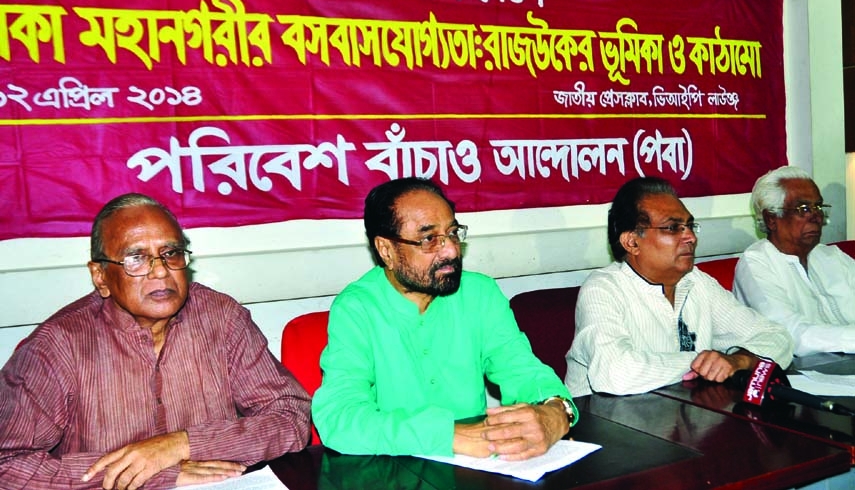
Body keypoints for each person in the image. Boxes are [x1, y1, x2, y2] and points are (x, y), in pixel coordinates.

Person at [0, 193, 312, 490]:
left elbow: (290, 417)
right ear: (100, 276)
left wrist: (183, 444)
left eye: (171, 253)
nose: (161, 271)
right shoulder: (58, 345)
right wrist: (152, 473)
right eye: (136, 259)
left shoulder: (221, 317)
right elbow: (7, 467)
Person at [312, 177, 577, 461]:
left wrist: (555, 410)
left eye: (452, 233)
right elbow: (340, 417)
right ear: (386, 250)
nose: (450, 250)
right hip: (395, 471)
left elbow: (522, 370)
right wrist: (446, 436)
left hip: (479, 468)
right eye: (429, 239)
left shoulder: (479, 293)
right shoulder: (358, 307)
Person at [565, 177, 793, 396]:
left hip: (680, 416)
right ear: (632, 242)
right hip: (606, 424)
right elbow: (614, 373)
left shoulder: (696, 282)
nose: (691, 237)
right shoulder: (603, 288)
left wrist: (739, 360)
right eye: (673, 228)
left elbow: (777, 337)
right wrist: (701, 361)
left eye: (690, 226)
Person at [734, 165, 855, 356]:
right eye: (804, 208)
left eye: (818, 207)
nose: (816, 216)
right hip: (802, 374)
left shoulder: (832, 256)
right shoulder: (757, 262)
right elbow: (788, 333)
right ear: (771, 219)